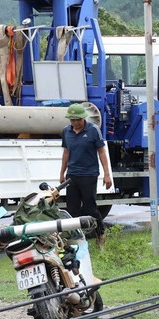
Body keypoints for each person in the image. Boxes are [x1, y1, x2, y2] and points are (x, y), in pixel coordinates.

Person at [59, 103, 112, 246]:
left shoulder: (93, 130)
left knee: (90, 208)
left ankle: (100, 232)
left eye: (78, 120)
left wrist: (107, 174)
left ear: (83, 118)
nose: (75, 123)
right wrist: (62, 172)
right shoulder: (66, 131)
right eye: (72, 120)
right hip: (72, 175)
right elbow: (66, 152)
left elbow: (102, 152)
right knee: (72, 209)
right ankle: (75, 239)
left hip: (89, 174)